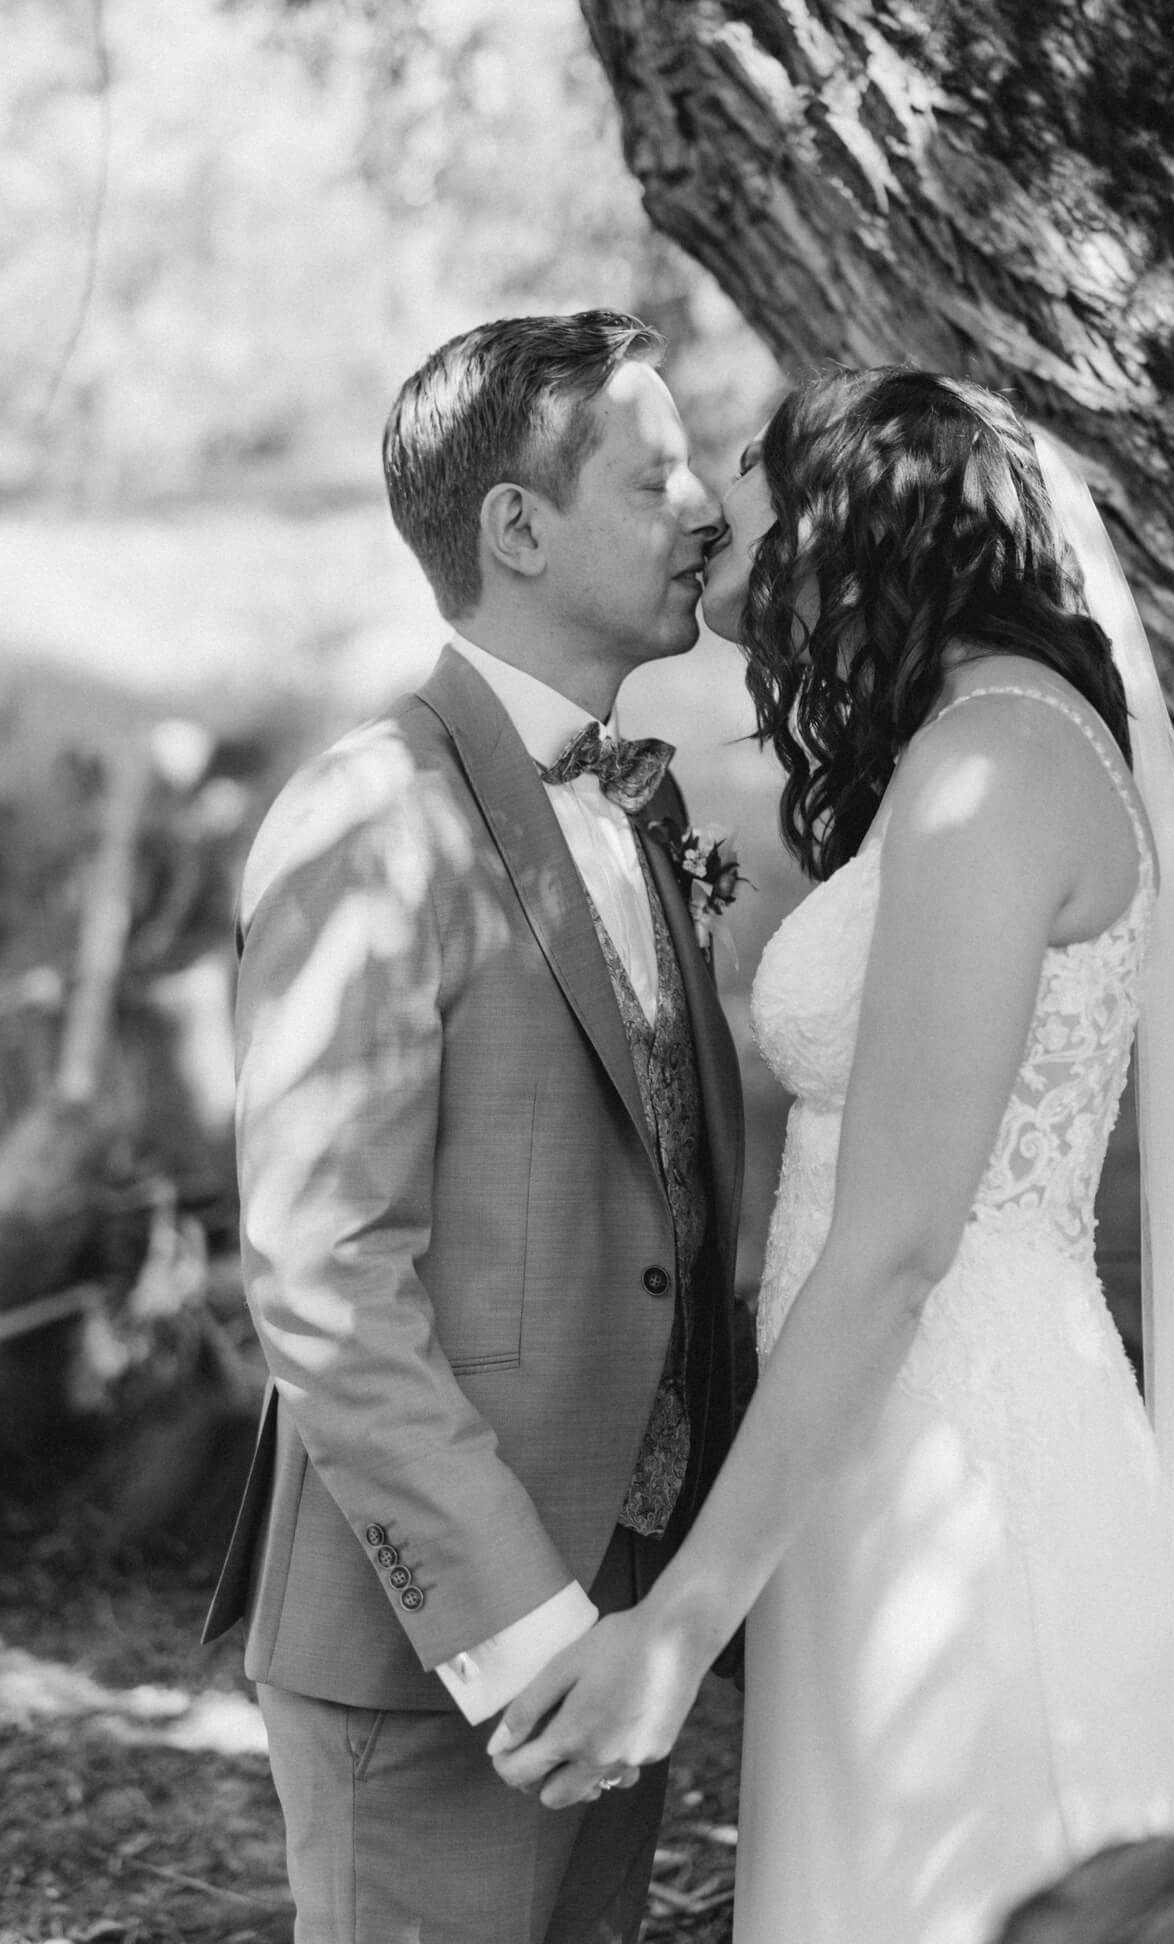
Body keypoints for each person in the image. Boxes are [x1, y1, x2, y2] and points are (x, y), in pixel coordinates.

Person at [488, 369, 1174, 1943]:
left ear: (849, 523)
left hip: (962, 1456)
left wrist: (679, 1625)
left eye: (751, 482)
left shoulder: (997, 764)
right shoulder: (965, 744)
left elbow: (892, 1246)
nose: (711, 514)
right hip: (872, 1448)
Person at [202, 308, 745, 1944]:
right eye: (654, 480)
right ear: (515, 526)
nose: (708, 504)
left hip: (620, 1613)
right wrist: (523, 1632)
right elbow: (324, 1278)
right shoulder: (372, 818)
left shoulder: (634, 805)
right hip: (455, 1652)